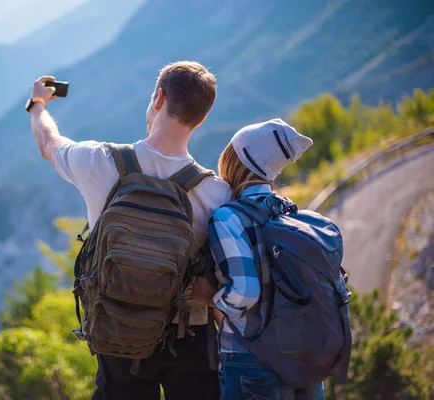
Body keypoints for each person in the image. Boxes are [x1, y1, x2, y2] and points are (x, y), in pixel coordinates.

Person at [27, 61, 232, 400]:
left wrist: (38, 104)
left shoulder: (101, 161)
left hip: (119, 328)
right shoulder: (216, 194)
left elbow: (48, 143)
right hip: (189, 333)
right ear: (202, 118)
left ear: (159, 98)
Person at [191, 118, 325, 400]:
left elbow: (245, 292)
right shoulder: (292, 213)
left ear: (237, 161)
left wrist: (210, 297)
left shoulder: (228, 217)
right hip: (303, 357)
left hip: (251, 362)